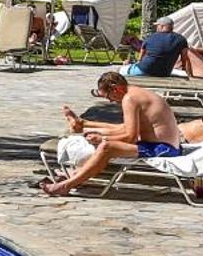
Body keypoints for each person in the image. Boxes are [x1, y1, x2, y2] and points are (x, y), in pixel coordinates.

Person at [40, 71, 186, 197]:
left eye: (109, 97)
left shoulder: (130, 99)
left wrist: (102, 139)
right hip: (163, 145)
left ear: (116, 89)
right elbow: (125, 129)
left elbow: (130, 137)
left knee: (107, 147)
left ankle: (67, 185)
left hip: (163, 149)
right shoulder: (135, 93)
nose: (110, 101)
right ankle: (81, 128)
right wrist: (92, 130)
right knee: (108, 136)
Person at [127, 19, 202, 79]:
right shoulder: (181, 39)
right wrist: (190, 76)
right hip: (164, 73)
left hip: (144, 70)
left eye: (157, 26)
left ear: (162, 26)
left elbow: (140, 58)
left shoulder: (150, 37)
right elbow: (185, 59)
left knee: (121, 70)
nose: (157, 28)